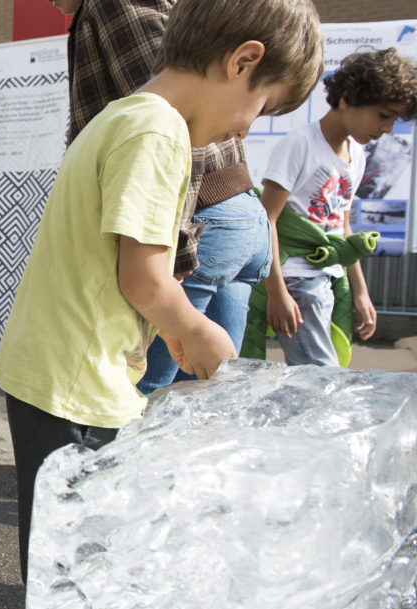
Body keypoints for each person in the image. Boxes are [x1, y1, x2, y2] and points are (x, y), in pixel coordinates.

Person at [0, 0, 323, 582]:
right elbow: (141, 277)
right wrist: (193, 327)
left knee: (60, 545)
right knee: (74, 565)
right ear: (243, 61)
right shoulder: (159, 131)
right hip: (77, 383)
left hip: (59, 371)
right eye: (262, 107)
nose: (247, 127)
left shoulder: (124, 115)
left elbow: (112, 267)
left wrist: (169, 327)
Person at [48, 0, 274, 396]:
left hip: (203, 216)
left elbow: (173, 119)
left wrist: (175, 253)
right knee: (205, 402)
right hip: (234, 211)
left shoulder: (115, 5)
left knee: (136, 398)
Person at [250, 48, 417, 367]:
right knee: (320, 373)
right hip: (295, 279)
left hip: (328, 279)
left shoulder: (358, 153)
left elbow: (341, 227)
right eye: (384, 115)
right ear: (347, 97)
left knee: (318, 371)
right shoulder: (300, 145)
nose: (388, 129)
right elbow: (267, 220)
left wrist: (360, 291)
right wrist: (277, 291)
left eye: (394, 120)